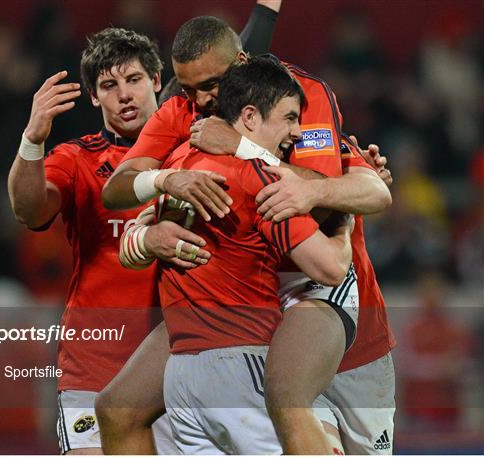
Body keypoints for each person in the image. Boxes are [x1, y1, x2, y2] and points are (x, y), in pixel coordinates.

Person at [99, 14, 395, 455]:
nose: (200, 100)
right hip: (240, 300)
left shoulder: (294, 97)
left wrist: (243, 149)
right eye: (187, 88)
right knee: (119, 409)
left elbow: (353, 192)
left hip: (316, 285)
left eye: (210, 84)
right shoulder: (186, 114)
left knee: (294, 403)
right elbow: (119, 189)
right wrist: (159, 197)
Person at [7, 2, 283, 453]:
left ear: (158, 81)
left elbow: (238, 62)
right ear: (94, 98)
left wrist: (267, 8)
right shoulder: (77, 159)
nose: (124, 95)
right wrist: (33, 140)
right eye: (108, 86)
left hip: (179, 366)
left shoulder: (197, 135)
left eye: (134, 79)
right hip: (94, 368)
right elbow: (29, 210)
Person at [159, 56, 354, 454]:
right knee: (313, 431)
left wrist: (142, 238)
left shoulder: (180, 164)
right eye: (287, 118)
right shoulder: (257, 179)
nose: (297, 132)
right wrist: (344, 225)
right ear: (249, 117)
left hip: (179, 378)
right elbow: (330, 268)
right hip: (237, 364)